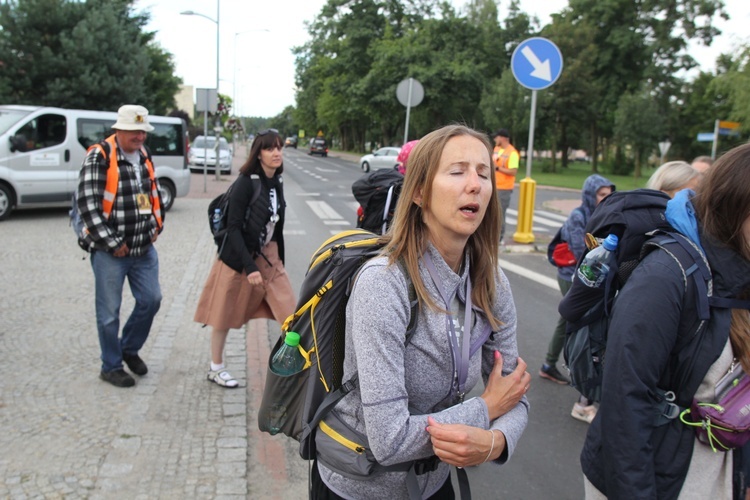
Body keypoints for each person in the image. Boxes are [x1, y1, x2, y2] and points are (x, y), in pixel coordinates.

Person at [312, 124, 531, 499]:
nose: (475, 184)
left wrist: (495, 442)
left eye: (483, 172)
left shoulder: (491, 282)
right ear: (418, 192)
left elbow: (515, 393)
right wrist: (486, 408)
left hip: (435, 482)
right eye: (457, 171)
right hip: (360, 488)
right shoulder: (384, 284)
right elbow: (390, 441)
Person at [582, 143, 750, 499]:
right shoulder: (667, 275)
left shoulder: (739, 274)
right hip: (654, 478)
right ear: (738, 206)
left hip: (709, 473)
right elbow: (624, 403)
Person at [194, 129, 296, 388]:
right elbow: (233, 228)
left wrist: (280, 260)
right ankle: (216, 368)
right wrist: (249, 267)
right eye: (270, 148)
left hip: (269, 258)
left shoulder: (278, 183)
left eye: (279, 148)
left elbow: (278, 227)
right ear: (258, 154)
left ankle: (292, 371)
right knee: (223, 315)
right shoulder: (245, 183)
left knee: (293, 317)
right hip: (238, 258)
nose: (276, 153)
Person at [76, 104, 164, 388]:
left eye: (142, 131)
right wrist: (113, 243)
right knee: (108, 312)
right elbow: (88, 206)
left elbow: (152, 195)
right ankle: (111, 366)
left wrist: (156, 227)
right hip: (110, 252)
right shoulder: (99, 156)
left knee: (151, 300)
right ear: (119, 129)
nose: (139, 137)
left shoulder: (143, 155)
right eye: (134, 131)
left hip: (143, 249)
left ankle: (129, 348)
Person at [539, 175, 615, 423]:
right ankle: (583, 384)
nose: (606, 198)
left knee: (567, 319)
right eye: (601, 194)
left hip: (592, 278)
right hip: (572, 276)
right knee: (580, 322)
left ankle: (549, 365)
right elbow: (581, 249)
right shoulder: (578, 216)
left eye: (608, 193)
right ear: (590, 194)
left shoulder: (605, 214)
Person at [492, 129, 519, 245]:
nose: (495, 140)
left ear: (503, 138)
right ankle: (492, 236)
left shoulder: (512, 153)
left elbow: (513, 171)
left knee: (500, 213)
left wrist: (497, 168)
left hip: (504, 188)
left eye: (496, 137)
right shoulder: (496, 149)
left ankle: (499, 238)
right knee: (492, 213)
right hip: (494, 186)